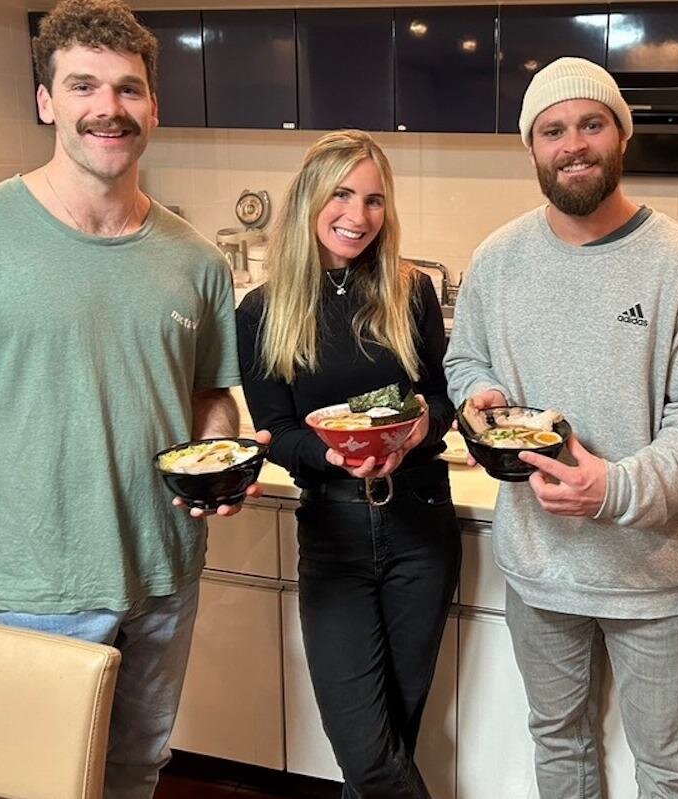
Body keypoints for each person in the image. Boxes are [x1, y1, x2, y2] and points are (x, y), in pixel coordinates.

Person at [0, 2, 266, 796]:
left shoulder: (196, 260)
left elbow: (210, 392)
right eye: (83, 86)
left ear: (154, 106)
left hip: (166, 574)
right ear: (46, 101)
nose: (109, 107)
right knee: (41, 781)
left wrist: (221, 462)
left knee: (138, 769)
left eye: (128, 89)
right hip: (41, 587)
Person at [444, 57, 678, 798]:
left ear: (621, 135)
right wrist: (478, 392)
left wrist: (613, 488)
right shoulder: (497, 259)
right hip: (538, 563)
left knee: (667, 765)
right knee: (559, 741)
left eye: (591, 124)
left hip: (654, 573)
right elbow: (465, 358)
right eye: (552, 131)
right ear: (532, 147)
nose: (572, 144)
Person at [237, 130, 460, 799]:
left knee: (395, 736)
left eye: (374, 200)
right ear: (310, 198)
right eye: (342, 195)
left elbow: (440, 395)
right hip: (333, 532)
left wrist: (420, 427)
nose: (358, 216)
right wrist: (331, 452)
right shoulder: (263, 310)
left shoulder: (410, 291)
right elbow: (276, 431)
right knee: (367, 752)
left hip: (420, 522)